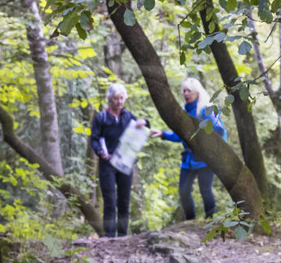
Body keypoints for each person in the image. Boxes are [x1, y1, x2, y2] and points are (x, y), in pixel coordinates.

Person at [151, 76, 227, 220]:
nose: (186, 93)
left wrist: (205, 146)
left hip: (205, 160)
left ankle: (209, 220)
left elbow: (219, 130)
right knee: (183, 191)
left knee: (205, 190)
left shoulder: (206, 109)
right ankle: (190, 221)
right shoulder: (183, 112)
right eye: (184, 91)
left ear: (197, 92)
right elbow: (180, 135)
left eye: (189, 91)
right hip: (188, 159)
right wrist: (162, 134)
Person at [88, 82, 147, 237]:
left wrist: (145, 122)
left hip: (125, 163)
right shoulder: (101, 118)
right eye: (116, 98)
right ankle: (109, 237)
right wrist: (100, 152)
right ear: (110, 99)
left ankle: (122, 236)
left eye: (121, 98)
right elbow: (94, 139)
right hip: (107, 164)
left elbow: (145, 126)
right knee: (110, 202)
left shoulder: (128, 116)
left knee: (124, 202)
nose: (119, 102)